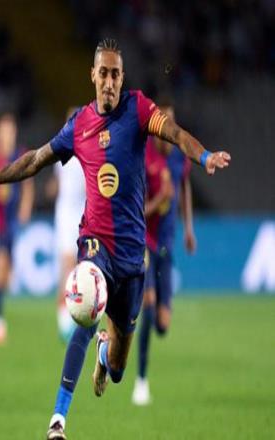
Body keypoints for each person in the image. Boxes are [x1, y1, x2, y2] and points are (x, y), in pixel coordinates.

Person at [0, 38, 230, 440]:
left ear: (122, 77)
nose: (109, 81)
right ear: (92, 75)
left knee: (118, 369)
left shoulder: (138, 109)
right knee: (85, 310)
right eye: (103, 73)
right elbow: (36, 160)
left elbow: (175, 133)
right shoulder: (79, 125)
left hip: (132, 257)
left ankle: (105, 356)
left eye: (115, 74)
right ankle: (58, 419)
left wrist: (205, 156)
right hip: (95, 244)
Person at [132, 102, 196, 405]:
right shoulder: (145, 157)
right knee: (148, 305)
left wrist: (189, 228)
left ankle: (156, 319)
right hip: (145, 241)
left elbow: (185, 187)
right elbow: (137, 210)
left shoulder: (179, 157)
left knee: (162, 325)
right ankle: (141, 381)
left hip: (167, 244)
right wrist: (159, 199)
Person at [0, 113, 34, 344]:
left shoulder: (20, 155)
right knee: (1, 264)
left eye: (10, 132)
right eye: (3, 131)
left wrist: (25, 206)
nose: (6, 136)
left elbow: (28, 184)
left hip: (12, 221)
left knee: (5, 272)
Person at [52, 108, 86, 343]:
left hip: (83, 214)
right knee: (66, 266)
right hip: (65, 213)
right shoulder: (62, 150)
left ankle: (75, 316)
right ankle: (63, 319)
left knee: (80, 269)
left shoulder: (88, 151)